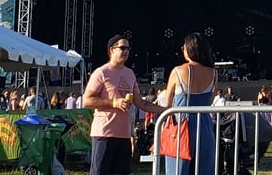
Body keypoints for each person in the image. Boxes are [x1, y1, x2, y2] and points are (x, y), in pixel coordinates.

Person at [83, 34, 165, 175]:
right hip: (104, 134)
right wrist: (114, 102)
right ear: (111, 50)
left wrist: (165, 110)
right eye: (122, 48)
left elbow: (141, 103)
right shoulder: (101, 72)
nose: (126, 51)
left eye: (128, 48)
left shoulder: (130, 74)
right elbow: (87, 100)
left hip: (124, 136)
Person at [164, 32, 217, 175]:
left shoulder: (178, 71)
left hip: (182, 127)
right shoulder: (213, 73)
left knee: (177, 170)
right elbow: (211, 100)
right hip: (205, 126)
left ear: (189, 49)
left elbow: (167, 104)